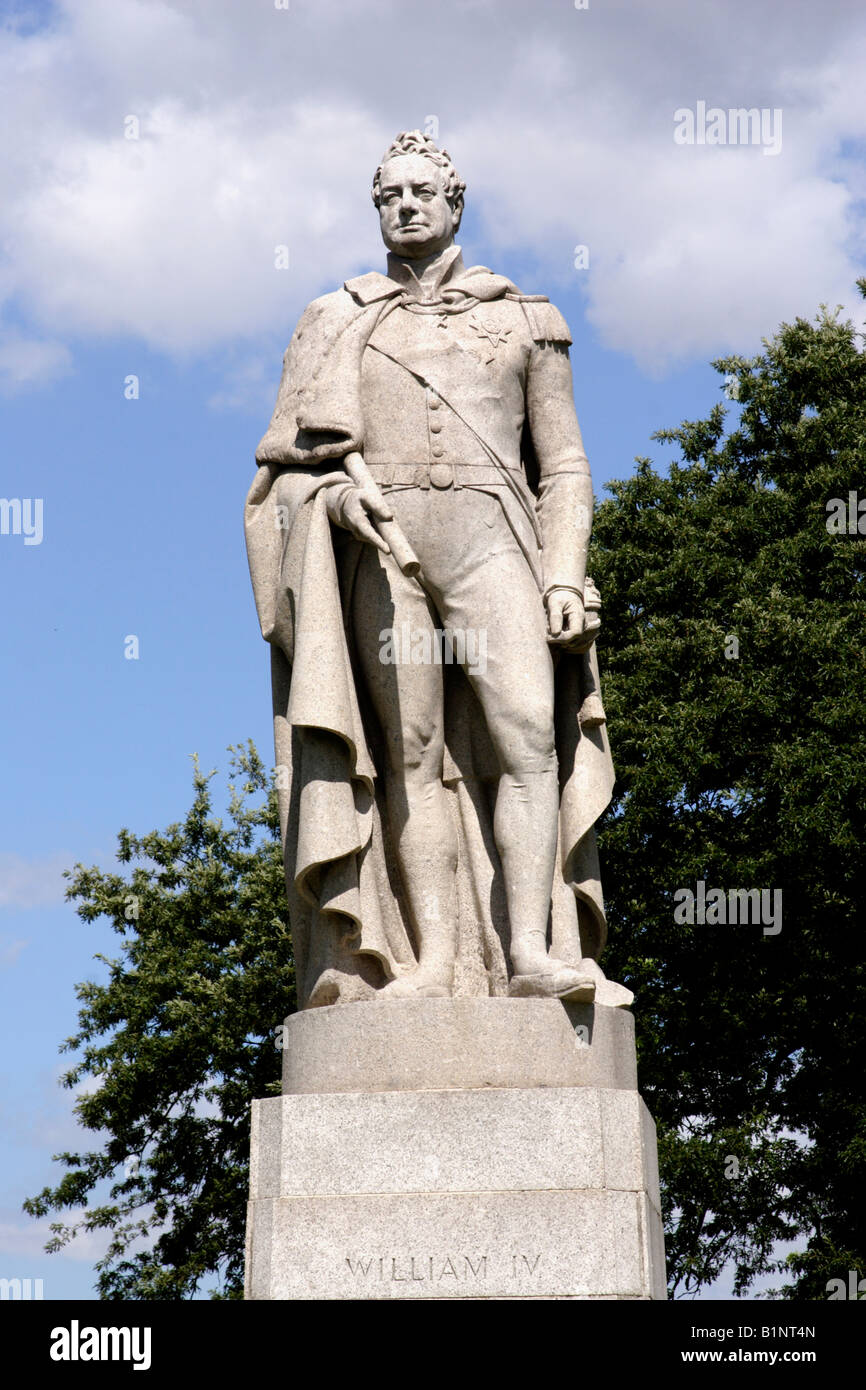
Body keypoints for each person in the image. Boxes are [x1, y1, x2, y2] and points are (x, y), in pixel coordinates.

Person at [245, 130, 630, 1010]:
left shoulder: (527, 318)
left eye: (423, 191)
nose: (407, 205)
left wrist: (564, 577)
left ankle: (530, 951)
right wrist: (339, 506)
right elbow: (284, 475)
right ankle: (431, 964)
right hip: (385, 551)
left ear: (456, 203)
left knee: (529, 737)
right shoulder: (335, 318)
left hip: (493, 540)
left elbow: (564, 466)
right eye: (390, 195)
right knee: (408, 753)